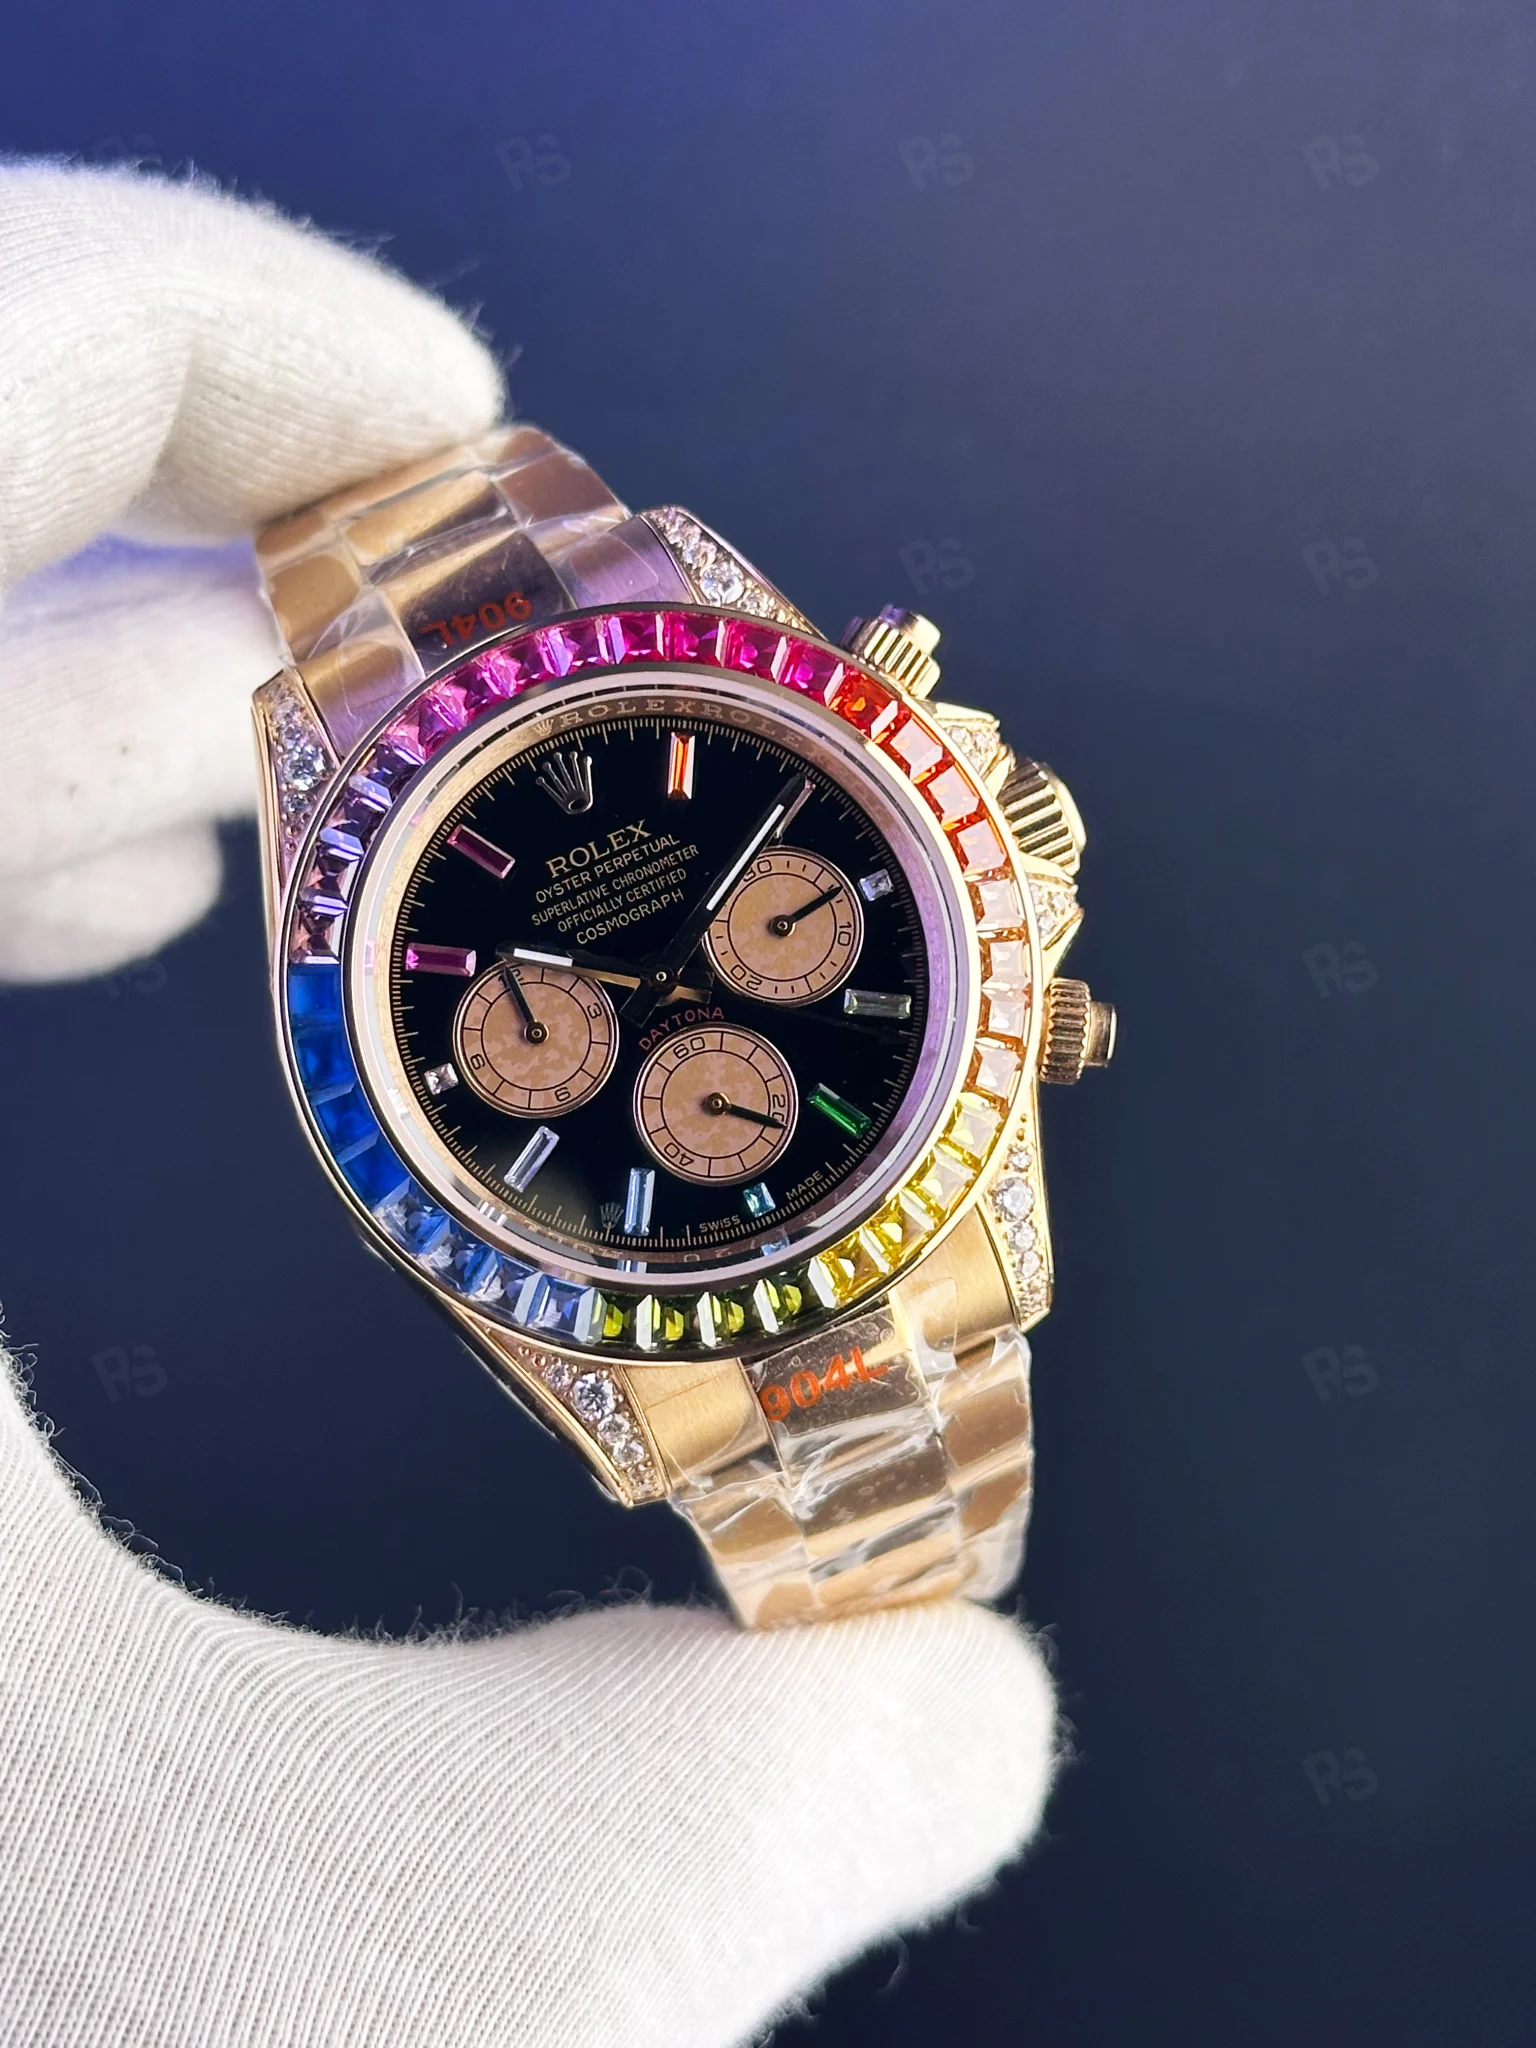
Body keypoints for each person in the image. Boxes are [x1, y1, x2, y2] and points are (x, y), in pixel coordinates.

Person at [0, 162, 1056, 2046]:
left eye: (780, 918)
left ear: (1000, 891)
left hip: (837, 1240)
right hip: (685, 1291)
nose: (650, 1001)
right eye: (554, 1013)